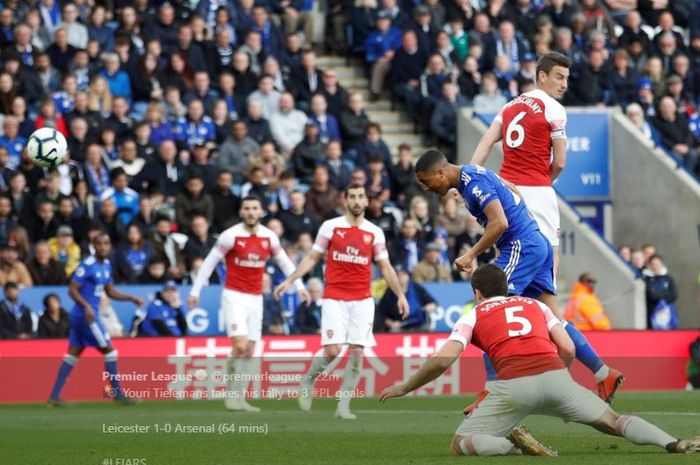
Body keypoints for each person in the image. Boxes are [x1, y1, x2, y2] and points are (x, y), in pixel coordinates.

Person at [379, 264, 700, 457]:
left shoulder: (474, 314)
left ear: (477, 293)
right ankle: (672, 443)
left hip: (512, 387)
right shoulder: (536, 305)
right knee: (613, 422)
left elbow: (443, 359)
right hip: (556, 376)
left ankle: (511, 446)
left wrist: (406, 387)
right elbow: (568, 347)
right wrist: (560, 380)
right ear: (507, 288)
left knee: (460, 442)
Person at [467, 51, 624, 399]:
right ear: (540, 76)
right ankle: (602, 371)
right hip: (541, 200)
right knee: (547, 304)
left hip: (513, 199)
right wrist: (542, 182)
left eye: (566, 78)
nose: (564, 84)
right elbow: (562, 162)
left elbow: (485, 142)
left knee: (494, 299)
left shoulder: (508, 107)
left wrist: (471, 174)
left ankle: (493, 390)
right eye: (558, 77)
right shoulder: (554, 110)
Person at [413, 150, 623, 408]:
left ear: (441, 172)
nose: (425, 188)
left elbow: (499, 222)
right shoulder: (476, 175)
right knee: (553, 318)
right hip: (536, 244)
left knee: (490, 311)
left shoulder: (473, 182)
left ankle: (492, 391)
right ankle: (603, 373)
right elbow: (514, 193)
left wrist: (471, 254)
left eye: (425, 181)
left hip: (521, 245)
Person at [274, 183, 409, 420]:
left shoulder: (374, 232)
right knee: (333, 350)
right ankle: (308, 380)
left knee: (356, 352)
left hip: (363, 300)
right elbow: (312, 257)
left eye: (361, 197)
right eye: (353, 197)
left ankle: (343, 406)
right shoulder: (331, 227)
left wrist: (400, 295)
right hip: (334, 297)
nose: (357, 201)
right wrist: (291, 280)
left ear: (367, 202)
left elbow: (385, 267)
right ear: (346, 200)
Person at [187, 195, 309, 412]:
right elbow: (209, 263)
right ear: (241, 212)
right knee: (241, 345)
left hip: (256, 298)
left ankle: (239, 398)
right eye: (247, 208)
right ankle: (231, 395)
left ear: (261, 211)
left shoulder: (269, 237)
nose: (251, 212)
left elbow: (284, 262)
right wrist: (196, 290)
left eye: (255, 208)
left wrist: (299, 285)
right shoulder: (230, 236)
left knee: (250, 350)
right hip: (234, 296)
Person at [48, 234, 145, 406]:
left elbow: (110, 291)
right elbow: (72, 289)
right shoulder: (87, 265)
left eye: (106, 243)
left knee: (73, 354)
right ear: (94, 246)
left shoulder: (107, 265)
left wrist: (130, 297)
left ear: (110, 246)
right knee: (109, 351)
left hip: (86, 315)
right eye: (99, 244)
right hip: (86, 316)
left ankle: (54, 397)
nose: (102, 247)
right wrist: (86, 306)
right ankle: (118, 395)